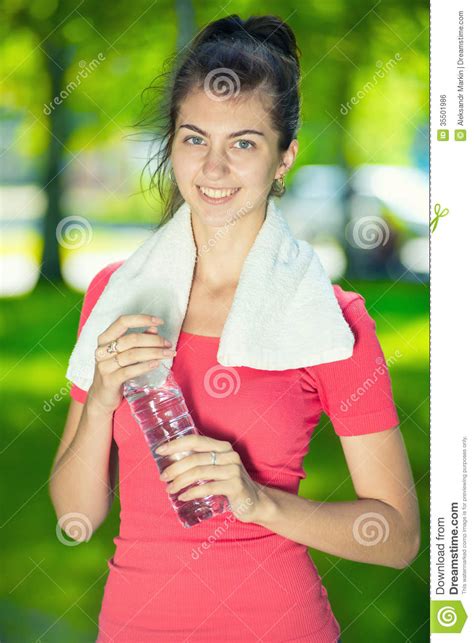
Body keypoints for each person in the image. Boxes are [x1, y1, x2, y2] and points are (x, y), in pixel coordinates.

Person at [49, 14, 420, 642]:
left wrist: (258, 502)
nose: (214, 168)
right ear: (172, 145)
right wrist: (101, 400)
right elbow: (77, 515)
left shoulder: (331, 321)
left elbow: (400, 538)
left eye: (244, 143)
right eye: (195, 139)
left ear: (284, 158)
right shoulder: (117, 298)